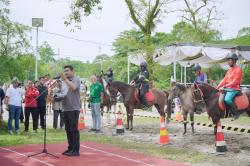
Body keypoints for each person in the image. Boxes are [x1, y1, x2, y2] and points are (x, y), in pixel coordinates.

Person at [60, 65, 81, 157]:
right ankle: (70, 148)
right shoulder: (64, 81)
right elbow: (63, 93)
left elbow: (74, 88)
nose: (66, 72)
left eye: (67, 70)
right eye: (64, 71)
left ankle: (76, 150)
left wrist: (65, 79)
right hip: (65, 108)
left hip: (73, 108)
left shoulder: (76, 79)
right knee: (68, 130)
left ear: (72, 71)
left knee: (74, 130)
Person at [216, 53, 242, 121]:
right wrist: (217, 87)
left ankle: (236, 114)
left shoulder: (238, 70)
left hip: (234, 88)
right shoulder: (229, 70)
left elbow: (235, 81)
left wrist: (224, 86)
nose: (228, 62)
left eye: (229, 60)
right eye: (228, 60)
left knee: (227, 99)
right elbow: (224, 80)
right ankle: (225, 113)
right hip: (228, 88)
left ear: (234, 60)